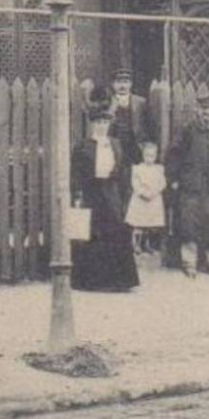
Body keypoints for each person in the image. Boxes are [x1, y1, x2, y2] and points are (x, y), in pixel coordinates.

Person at [166, 93, 209, 278]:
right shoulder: (187, 130)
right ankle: (189, 263)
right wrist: (173, 178)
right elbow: (174, 154)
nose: (206, 112)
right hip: (191, 186)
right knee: (189, 225)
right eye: (203, 109)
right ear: (197, 110)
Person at [70, 106, 139, 292]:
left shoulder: (116, 144)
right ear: (92, 124)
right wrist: (77, 195)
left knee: (116, 231)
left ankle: (118, 281)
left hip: (112, 192)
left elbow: (123, 171)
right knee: (93, 233)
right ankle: (91, 282)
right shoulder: (83, 146)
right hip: (91, 193)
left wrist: (124, 196)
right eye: (98, 122)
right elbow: (75, 174)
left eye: (105, 122)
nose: (102, 126)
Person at [125, 140, 168, 254]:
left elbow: (162, 183)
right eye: (147, 156)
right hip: (140, 200)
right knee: (139, 224)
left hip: (154, 200)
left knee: (150, 225)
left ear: (156, 156)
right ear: (143, 155)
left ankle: (148, 245)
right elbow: (135, 183)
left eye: (152, 156)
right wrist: (143, 193)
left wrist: (154, 192)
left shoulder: (159, 169)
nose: (150, 158)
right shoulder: (138, 169)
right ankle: (136, 245)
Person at [106, 67, 153, 161]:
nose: (122, 86)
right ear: (113, 84)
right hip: (114, 145)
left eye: (126, 82)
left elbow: (149, 126)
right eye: (119, 82)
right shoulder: (107, 102)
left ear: (131, 84)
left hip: (135, 147)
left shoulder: (141, 102)